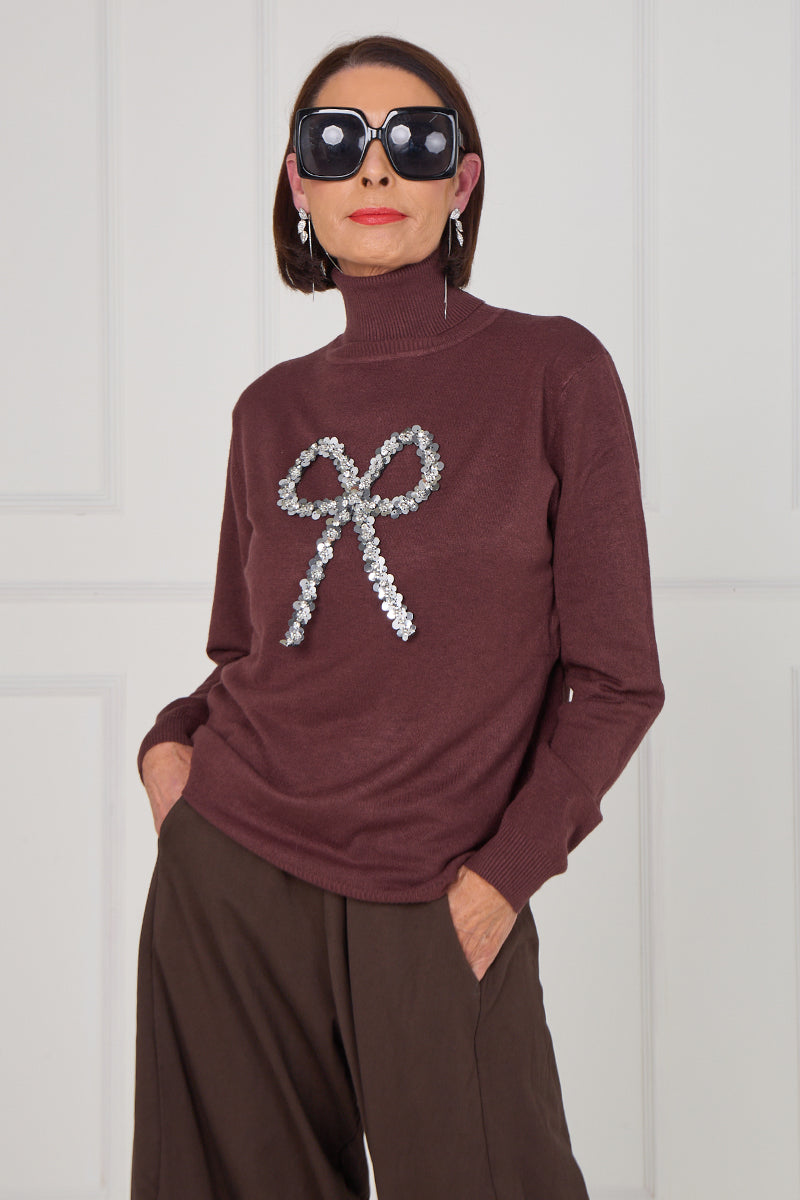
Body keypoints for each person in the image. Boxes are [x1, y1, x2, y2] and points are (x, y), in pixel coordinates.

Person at [130, 34, 665, 1200]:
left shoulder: (553, 372)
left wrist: (501, 879)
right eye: (336, 142)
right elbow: (248, 651)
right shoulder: (268, 412)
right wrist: (170, 750)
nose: (374, 169)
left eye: (413, 141)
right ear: (299, 182)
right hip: (232, 882)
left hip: (437, 892)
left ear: (460, 181)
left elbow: (618, 679)